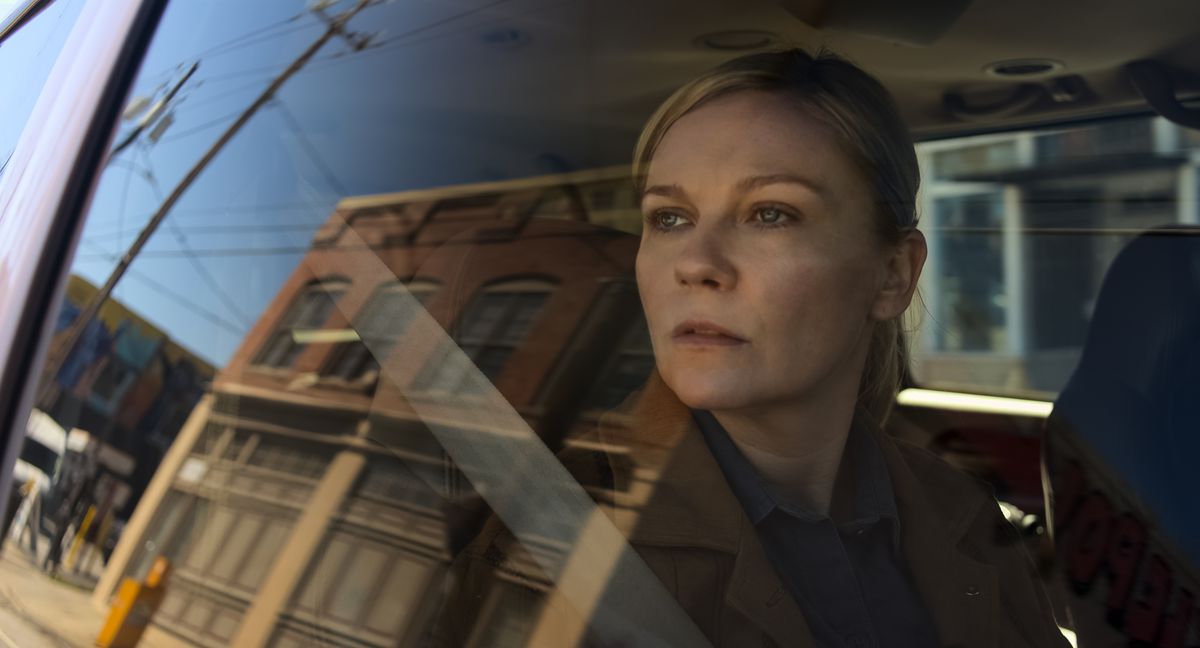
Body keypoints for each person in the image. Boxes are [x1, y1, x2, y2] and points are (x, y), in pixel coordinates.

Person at [435, 49, 1069, 648]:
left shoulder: (959, 509)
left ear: (893, 274)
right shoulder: (550, 540)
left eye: (770, 214)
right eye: (669, 218)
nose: (696, 263)